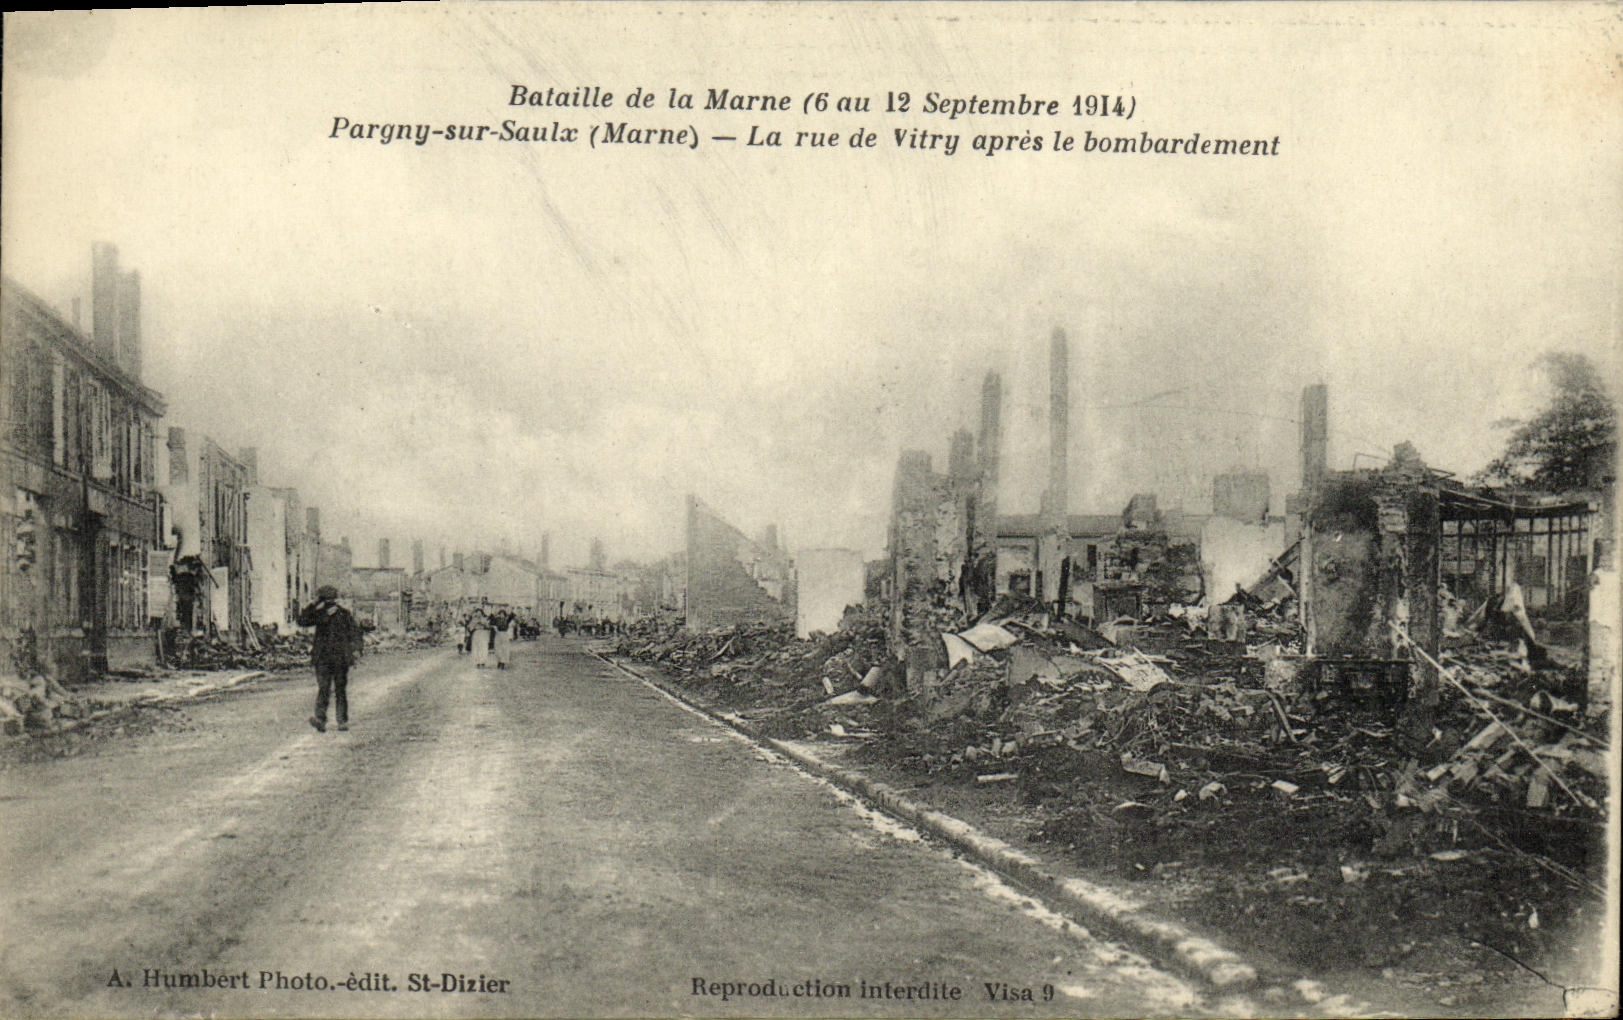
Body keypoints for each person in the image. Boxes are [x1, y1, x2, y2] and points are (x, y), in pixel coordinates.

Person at [298, 585, 360, 733]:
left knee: (330, 689)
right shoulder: (324, 614)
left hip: (332, 658)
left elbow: (355, 633)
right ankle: (332, 720)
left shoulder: (340, 615)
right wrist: (313, 605)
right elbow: (301, 621)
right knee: (333, 689)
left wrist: (356, 649)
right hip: (331, 658)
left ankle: (334, 720)